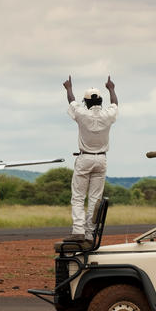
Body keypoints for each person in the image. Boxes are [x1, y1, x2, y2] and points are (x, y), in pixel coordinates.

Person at [62, 75, 118, 246]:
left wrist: (69, 88)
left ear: (85, 102)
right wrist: (111, 89)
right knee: (95, 198)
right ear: (101, 101)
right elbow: (115, 104)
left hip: (84, 157)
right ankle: (89, 234)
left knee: (78, 197)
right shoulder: (108, 115)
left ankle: (78, 231)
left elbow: (71, 101)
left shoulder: (82, 114)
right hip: (101, 159)